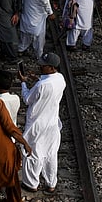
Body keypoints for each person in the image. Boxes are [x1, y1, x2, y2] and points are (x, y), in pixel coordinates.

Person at [18, 52, 66, 194]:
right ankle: (51, 183)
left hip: (37, 124)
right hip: (52, 123)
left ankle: (31, 183)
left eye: (43, 66)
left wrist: (23, 83)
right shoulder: (61, 79)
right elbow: (48, 85)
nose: (40, 66)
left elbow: (27, 99)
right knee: (51, 153)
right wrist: (37, 78)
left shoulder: (41, 85)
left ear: (51, 68)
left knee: (32, 153)